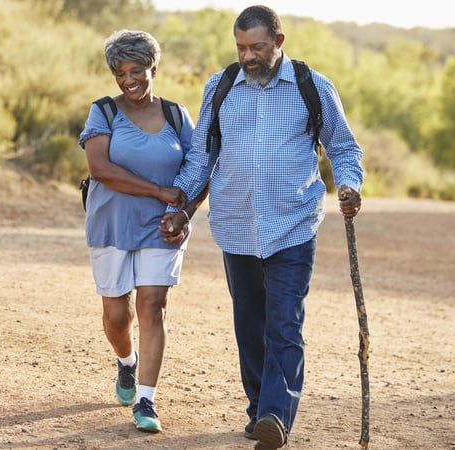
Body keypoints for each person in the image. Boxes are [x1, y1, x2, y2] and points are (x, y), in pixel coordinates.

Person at [160, 5, 364, 449]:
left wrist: (348, 185)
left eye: (257, 47)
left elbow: (344, 148)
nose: (247, 56)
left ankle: (276, 414)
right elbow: (202, 156)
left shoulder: (313, 87)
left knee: (284, 323)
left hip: (293, 224)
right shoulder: (221, 85)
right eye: (241, 47)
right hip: (235, 225)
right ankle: (258, 410)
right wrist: (181, 202)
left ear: (279, 42)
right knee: (250, 325)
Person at [78, 29, 206, 433]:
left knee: (152, 306)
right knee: (117, 314)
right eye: (119, 72)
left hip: (162, 227)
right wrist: (158, 190)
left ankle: (147, 400)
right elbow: (100, 169)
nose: (128, 80)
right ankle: (126, 362)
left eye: (137, 71)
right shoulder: (103, 111)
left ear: (155, 67)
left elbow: (199, 168)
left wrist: (183, 212)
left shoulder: (175, 115)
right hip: (111, 224)